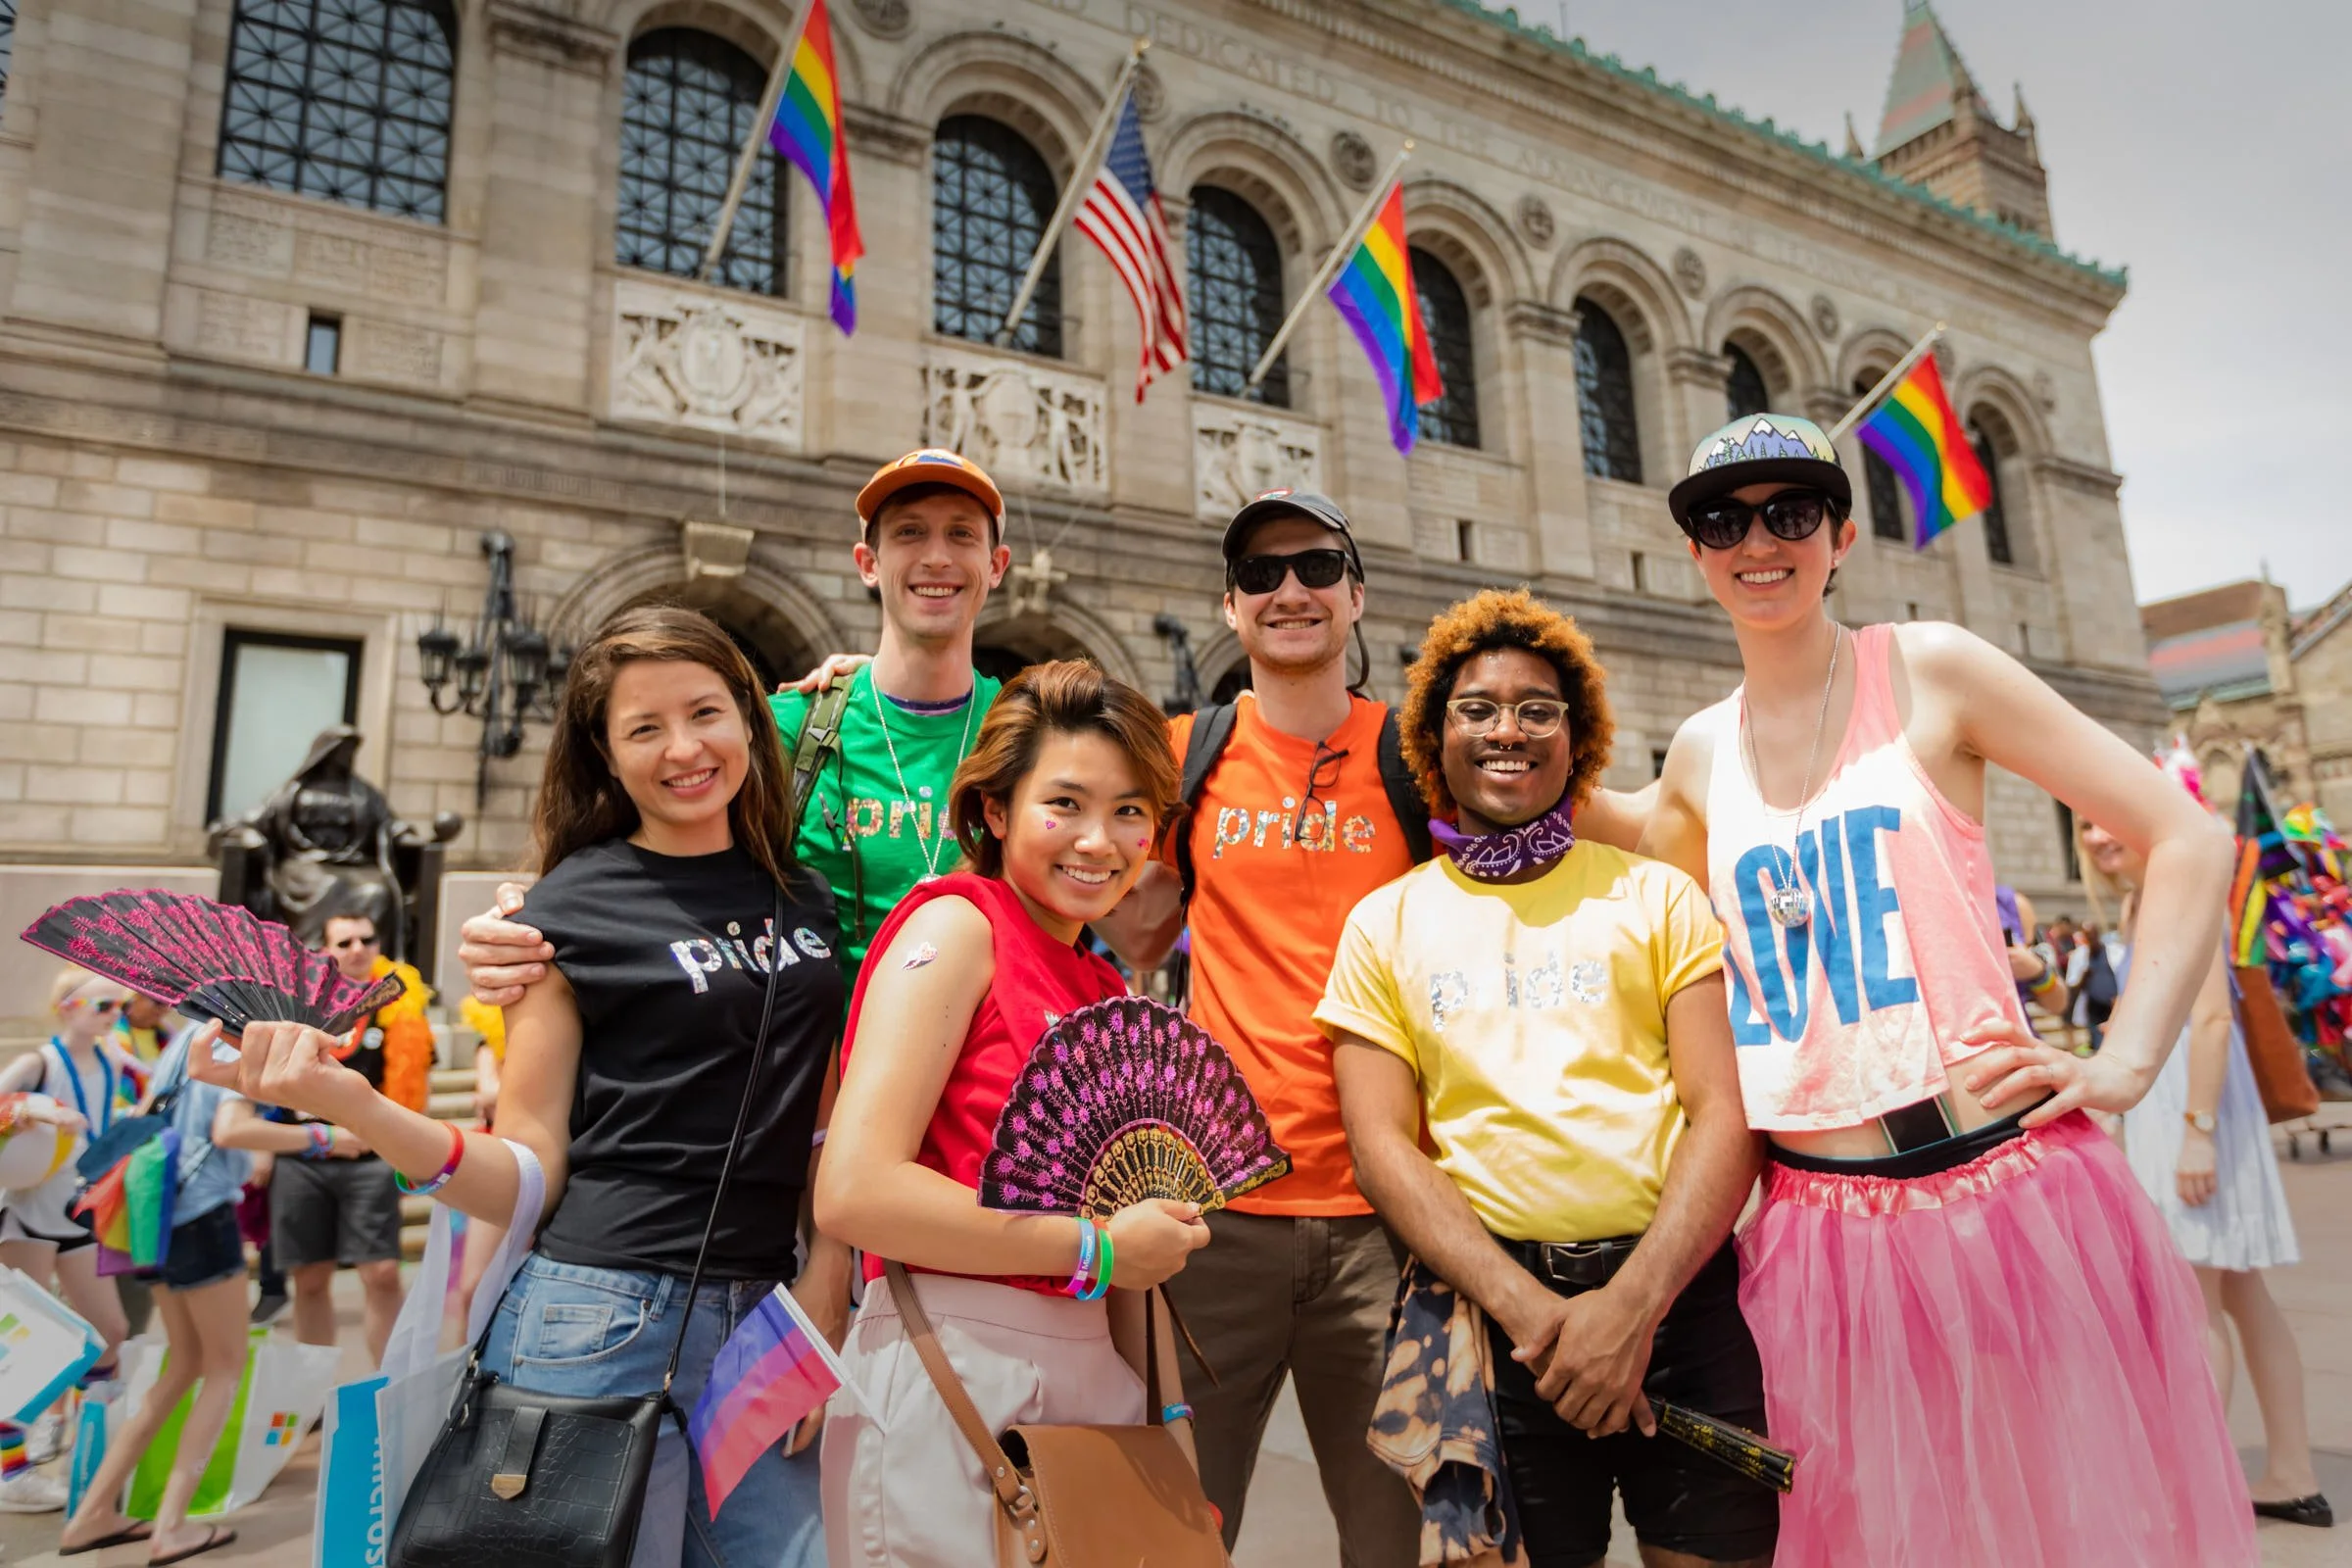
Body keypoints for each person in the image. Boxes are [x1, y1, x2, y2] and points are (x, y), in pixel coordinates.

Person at [1638, 412, 2253, 1566]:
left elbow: (2187, 836)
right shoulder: (1699, 753)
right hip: (1817, 1234)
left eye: (1791, 512)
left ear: (1842, 536)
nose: (1758, 540)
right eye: (1723, 520)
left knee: (2056, 1534)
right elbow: (1591, 835)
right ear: (1695, 552)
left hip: (2003, 1203)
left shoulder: (1931, 668)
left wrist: (2127, 1059)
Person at [194, 605, 849, 1568]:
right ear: (606, 755)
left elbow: (822, 1124)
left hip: (765, 1312)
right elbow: (527, 1164)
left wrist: (828, 1275)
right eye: (644, 727)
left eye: (705, 712)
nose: (683, 748)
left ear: (750, 720)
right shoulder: (564, 908)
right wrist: (355, 1105)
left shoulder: (806, 897)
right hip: (599, 1313)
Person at [1089, 492, 1659, 1563]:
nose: (1289, 591)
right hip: (1212, 1219)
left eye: (1316, 567)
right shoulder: (1182, 755)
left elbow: (1640, 821)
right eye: (1260, 574)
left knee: (1396, 1544)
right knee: (1171, 1540)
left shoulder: (1423, 751)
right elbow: (1061, 831)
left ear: (1356, 595)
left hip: (1391, 1226)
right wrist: (861, 684)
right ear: (1230, 604)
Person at [1320, 591, 1773, 1568]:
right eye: (1477, 708)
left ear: (1579, 739)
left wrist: (1631, 1309)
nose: (1508, 729)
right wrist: (1539, 1318)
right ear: (1434, 739)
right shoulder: (1382, 924)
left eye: (1538, 709)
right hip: (1498, 1331)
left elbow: (1724, 1114)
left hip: (1681, 1312)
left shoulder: (1658, 895)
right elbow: (1381, 1148)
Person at [812, 660, 1210, 1566]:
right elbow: (855, 1191)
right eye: (1064, 804)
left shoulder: (1105, 984)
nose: (1099, 841)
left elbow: (1131, 1258)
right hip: (955, 1359)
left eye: (1130, 811)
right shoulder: (958, 928)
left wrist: (1173, 1435)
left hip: (1096, 1377)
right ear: (995, 812)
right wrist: (1096, 1248)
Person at [457, 448, 1014, 1008]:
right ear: (868, 563)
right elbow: (645, 845)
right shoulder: (788, 726)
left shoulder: (1029, 730)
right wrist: (535, 927)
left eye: (962, 534)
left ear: (996, 565)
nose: (936, 557)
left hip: (1005, 1058)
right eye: (910, 532)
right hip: (815, 1059)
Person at [2082, 815, 2331, 1529]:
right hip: (2188, 1105)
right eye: (2085, 824)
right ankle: (2290, 1472)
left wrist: (2197, 1133)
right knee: (2242, 1293)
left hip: (2195, 1106)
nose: (2096, 835)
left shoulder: (2176, 882)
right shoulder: (2143, 897)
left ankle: (2195, 1493)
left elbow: (2214, 1019)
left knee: (2197, 1304)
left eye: (2107, 818)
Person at [56, 1018, 258, 1564]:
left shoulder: (187, 1035)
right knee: (224, 1368)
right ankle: (171, 1527)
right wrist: (325, 1136)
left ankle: (92, 1513)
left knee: (184, 1365)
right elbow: (230, 1131)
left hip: (155, 1215)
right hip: (203, 1216)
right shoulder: (236, 1040)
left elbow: (150, 1108)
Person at [261, 908, 426, 1364]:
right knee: (310, 1280)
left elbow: (412, 1088)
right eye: (345, 942)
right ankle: (312, 1389)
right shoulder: (297, 1003)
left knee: (383, 1273)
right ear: (324, 951)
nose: (358, 950)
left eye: (367, 940)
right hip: (303, 1159)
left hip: (371, 1158)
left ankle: (389, 1383)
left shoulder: (399, 1004)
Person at [0, 968, 138, 1511]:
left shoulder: (115, 1062)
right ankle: (12, 1472)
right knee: (24, 1345)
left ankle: (93, 1448)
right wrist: (30, 1112)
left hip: (80, 1207)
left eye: (119, 1007)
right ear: (67, 1007)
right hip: (29, 1210)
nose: (113, 1015)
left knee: (110, 1330)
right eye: (103, 1006)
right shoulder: (39, 1063)